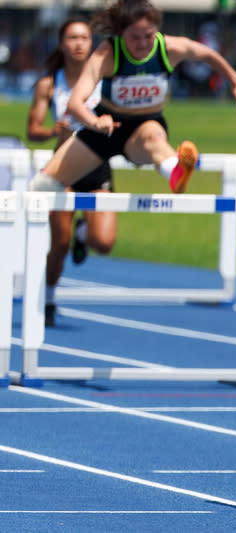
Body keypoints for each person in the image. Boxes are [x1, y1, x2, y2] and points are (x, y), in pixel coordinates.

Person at [28, 0, 236, 196]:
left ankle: (176, 172)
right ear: (121, 34)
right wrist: (94, 122)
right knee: (42, 187)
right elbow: (75, 103)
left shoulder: (169, 48)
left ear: (157, 31)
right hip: (104, 129)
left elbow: (206, 54)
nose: (142, 44)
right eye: (134, 38)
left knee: (154, 139)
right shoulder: (107, 54)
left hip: (144, 125)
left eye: (148, 36)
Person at [26, 16, 117, 327]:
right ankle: (48, 298)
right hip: (63, 167)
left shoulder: (105, 81)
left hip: (97, 165)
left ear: (92, 44)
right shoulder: (49, 84)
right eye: (73, 38)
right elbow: (32, 130)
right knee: (59, 244)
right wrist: (54, 129)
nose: (79, 44)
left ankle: (84, 233)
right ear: (62, 44)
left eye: (85, 38)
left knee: (103, 242)